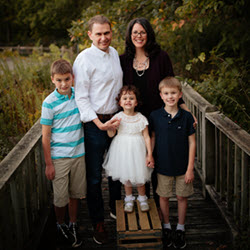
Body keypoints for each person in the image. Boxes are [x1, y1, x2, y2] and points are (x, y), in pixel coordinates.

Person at [120, 17, 197, 210]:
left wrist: (185, 109)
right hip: (133, 118)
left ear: (149, 34)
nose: (139, 36)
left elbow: (171, 85)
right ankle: (138, 198)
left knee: (155, 156)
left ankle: (155, 202)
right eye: (135, 32)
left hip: (158, 116)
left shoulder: (160, 57)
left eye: (143, 32)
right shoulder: (123, 60)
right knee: (135, 158)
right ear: (130, 35)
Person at [73, 15, 123, 245]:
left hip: (115, 121)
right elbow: (81, 99)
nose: (104, 38)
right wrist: (98, 123)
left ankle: (115, 206)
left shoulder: (114, 54)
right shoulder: (83, 60)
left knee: (115, 169)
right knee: (94, 177)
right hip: (95, 125)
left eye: (107, 33)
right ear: (90, 35)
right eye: (99, 33)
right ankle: (98, 222)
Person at [41, 59, 86, 248]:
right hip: (59, 157)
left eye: (67, 79)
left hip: (78, 154)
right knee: (60, 196)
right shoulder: (49, 103)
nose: (63, 84)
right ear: (52, 79)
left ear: (73, 78)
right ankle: (60, 224)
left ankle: (72, 223)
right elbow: (45, 136)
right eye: (59, 80)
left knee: (75, 193)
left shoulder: (79, 96)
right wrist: (49, 163)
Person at [149, 77, 196, 249]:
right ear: (161, 95)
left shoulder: (186, 117)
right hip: (163, 165)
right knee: (164, 196)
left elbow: (192, 142)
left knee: (182, 196)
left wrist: (190, 168)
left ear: (180, 94)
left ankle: (181, 228)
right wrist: (150, 155)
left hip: (183, 167)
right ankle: (167, 226)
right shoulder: (155, 116)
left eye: (173, 93)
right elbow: (152, 137)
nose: (170, 97)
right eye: (166, 93)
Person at [103, 85, 154, 213]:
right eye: (125, 98)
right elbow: (110, 135)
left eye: (131, 98)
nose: (128, 100)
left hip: (138, 149)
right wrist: (112, 128)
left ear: (136, 102)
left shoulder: (141, 118)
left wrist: (149, 154)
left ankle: (142, 198)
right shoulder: (117, 117)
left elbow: (147, 137)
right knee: (126, 176)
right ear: (120, 102)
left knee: (140, 175)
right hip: (122, 150)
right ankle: (129, 199)